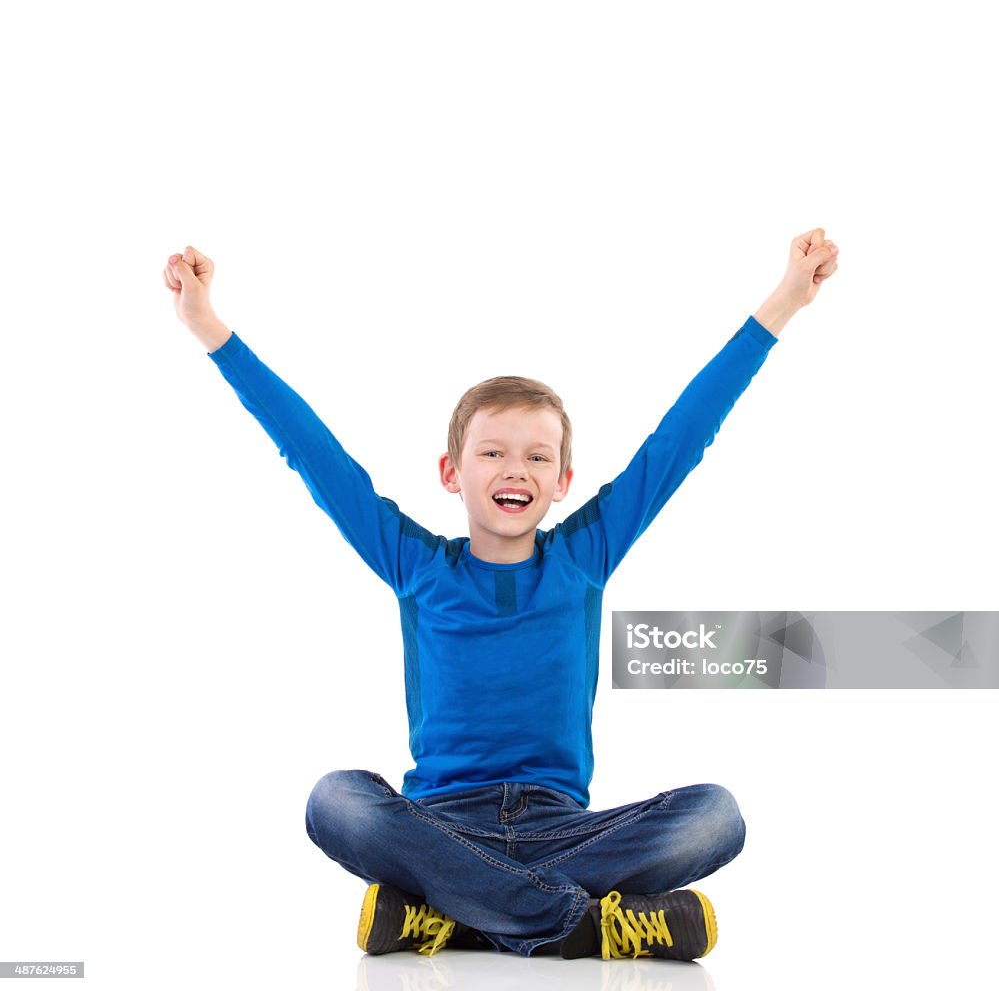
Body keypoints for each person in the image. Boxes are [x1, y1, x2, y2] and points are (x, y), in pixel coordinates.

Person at [162, 229, 839, 962]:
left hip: (563, 828)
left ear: (562, 483)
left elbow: (680, 439)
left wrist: (784, 302)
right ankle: (580, 925)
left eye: (536, 456)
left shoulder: (585, 556)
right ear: (452, 472)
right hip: (440, 825)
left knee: (716, 816)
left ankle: (453, 913)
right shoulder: (416, 565)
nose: (514, 468)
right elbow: (314, 453)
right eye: (492, 452)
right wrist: (209, 328)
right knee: (337, 801)